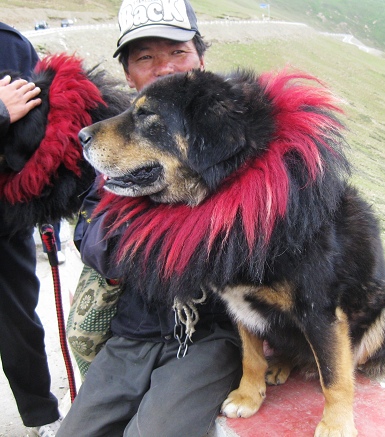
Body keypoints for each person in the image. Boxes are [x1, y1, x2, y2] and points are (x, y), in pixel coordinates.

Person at [58, 1, 242, 436]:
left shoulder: (237, 136)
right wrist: (148, 227)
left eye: (177, 52)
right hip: (132, 332)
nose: (165, 69)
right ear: (128, 74)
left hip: (208, 334)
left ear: (200, 58)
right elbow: (93, 241)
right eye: (145, 57)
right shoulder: (114, 142)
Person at [0, 21, 63, 437]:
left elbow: (35, 137)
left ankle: (41, 415)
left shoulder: (7, 45)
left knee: (19, 323)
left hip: (4, 217)